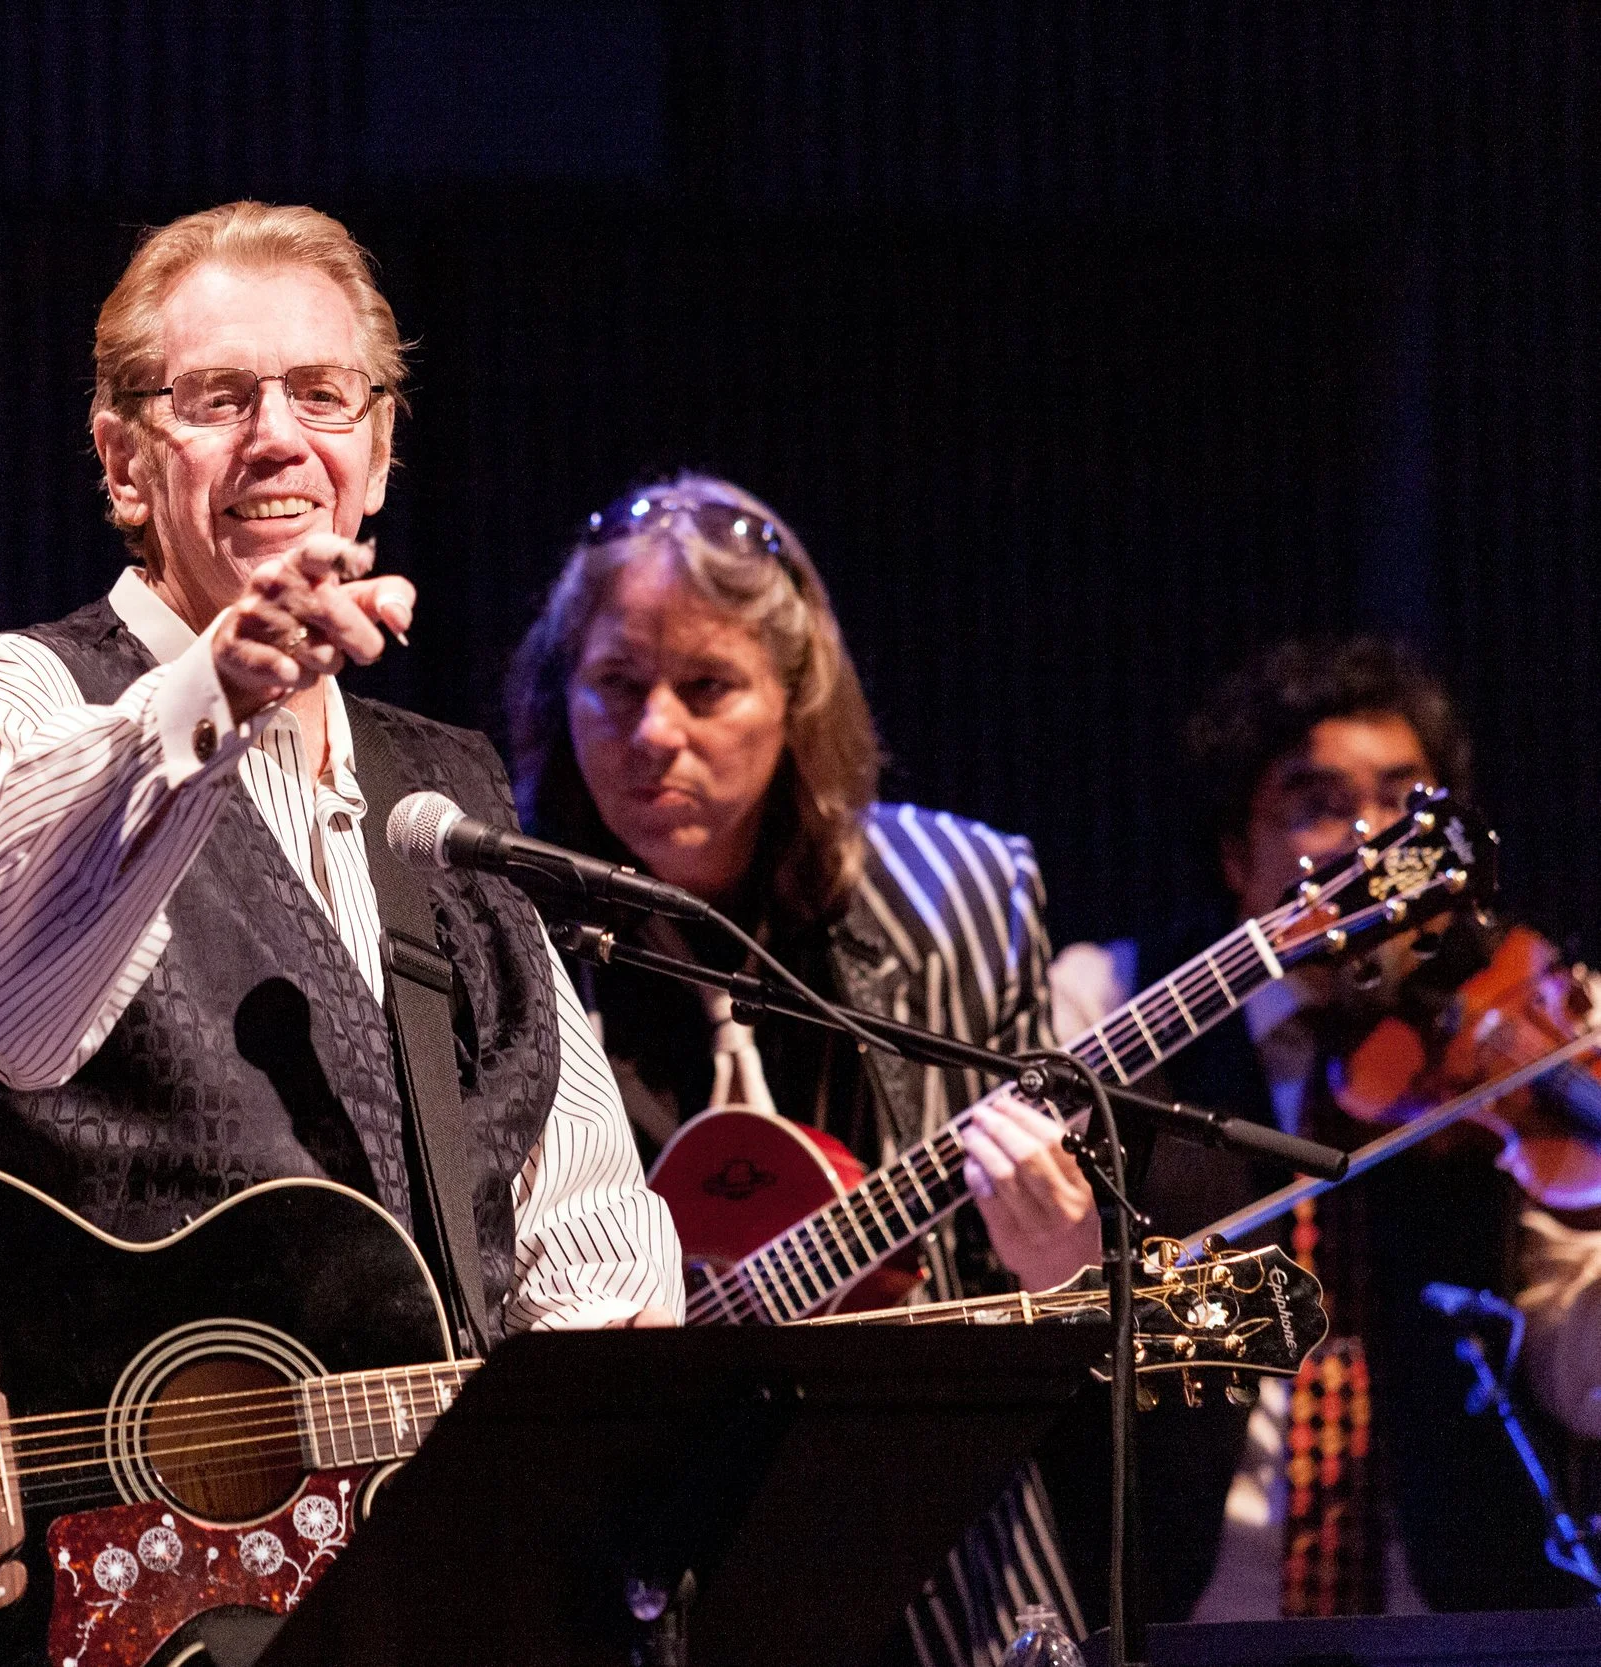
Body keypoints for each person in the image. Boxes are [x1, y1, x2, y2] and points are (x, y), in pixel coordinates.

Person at [0, 201, 682, 1341]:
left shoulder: (445, 793)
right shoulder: (19, 693)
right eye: (218, 398)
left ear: (376, 456)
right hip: (69, 1448)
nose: (277, 436)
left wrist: (586, 1396)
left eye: (322, 394)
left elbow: (586, 1221)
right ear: (123, 465)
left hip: (412, 1453)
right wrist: (211, 696)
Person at [507, 472, 1100, 1667]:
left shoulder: (961, 899)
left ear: (796, 697)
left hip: (938, 1571)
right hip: (629, 1582)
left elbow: (1046, 1312)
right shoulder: (500, 934)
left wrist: (1070, 1264)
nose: (654, 732)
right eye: (615, 684)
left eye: (707, 687)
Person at [1043, 636, 1601, 1620]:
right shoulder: (1111, 1003)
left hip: (1452, 1618)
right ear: (1235, 853)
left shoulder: (1516, 1038)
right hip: (1179, 1611)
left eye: (1404, 803)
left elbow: (1580, 1376)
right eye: (1318, 804)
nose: (1370, 843)